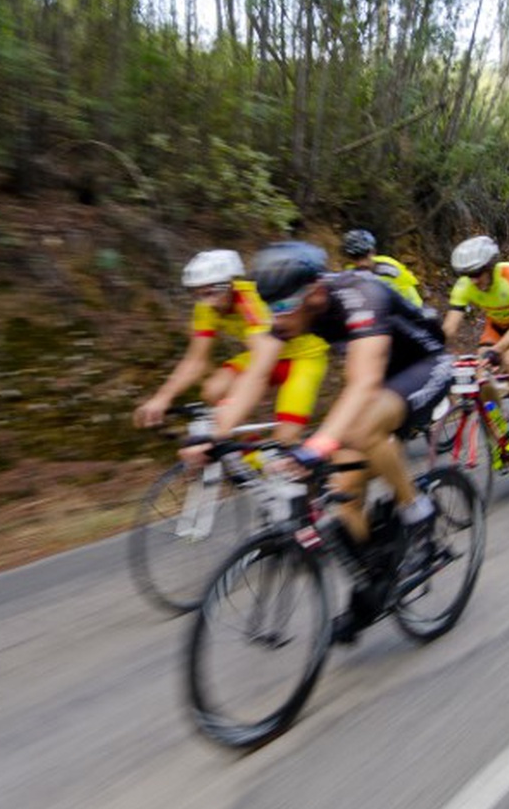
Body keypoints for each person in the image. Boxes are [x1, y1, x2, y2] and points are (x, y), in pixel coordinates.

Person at [188, 242, 452, 643]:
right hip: (379, 381)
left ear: (313, 293)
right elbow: (257, 375)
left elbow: (363, 382)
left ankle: (417, 509)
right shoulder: (293, 311)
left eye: (282, 308)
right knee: (343, 494)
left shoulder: (359, 295)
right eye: (269, 307)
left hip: (424, 365)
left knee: (359, 429)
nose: (276, 318)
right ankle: (373, 587)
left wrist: (317, 447)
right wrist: (216, 434)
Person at [132, 249, 329, 443]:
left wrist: (231, 409)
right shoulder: (205, 308)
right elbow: (195, 361)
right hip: (263, 356)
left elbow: (261, 367)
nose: (207, 302)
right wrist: (162, 398)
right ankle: (246, 450)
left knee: (285, 437)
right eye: (198, 294)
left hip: (303, 358)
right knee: (213, 390)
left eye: (212, 293)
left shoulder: (252, 300)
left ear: (230, 285)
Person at [443, 236, 509, 454]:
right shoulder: (464, 286)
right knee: (480, 375)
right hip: (496, 324)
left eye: (478, 273)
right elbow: (449, 328)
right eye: (468, 275)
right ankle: (500, 431)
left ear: (491, 266)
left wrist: (496, 352)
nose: (474, 280)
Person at [340, 228, 424, 309]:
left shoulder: (390, 269)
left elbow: (412, 296)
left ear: (373, 252)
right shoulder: (349, 274)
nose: (361, 263)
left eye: (364, 255)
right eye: (355, 257)